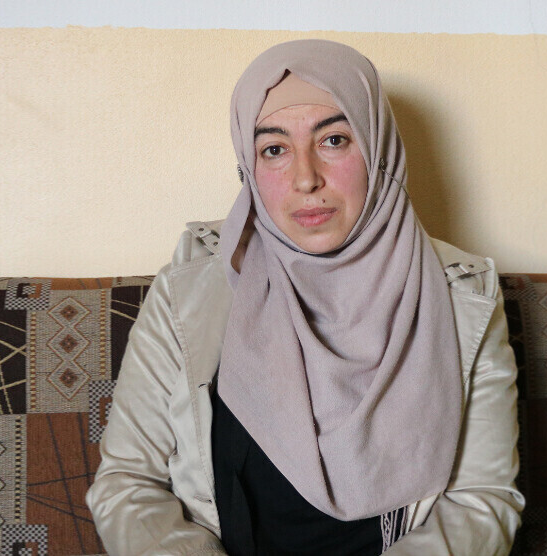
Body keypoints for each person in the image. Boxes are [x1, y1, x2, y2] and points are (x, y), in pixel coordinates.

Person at [86, 39, 523, 555]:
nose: (305, 178)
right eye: (274, 149)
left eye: (334, 140)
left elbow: (482, 501)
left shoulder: (463, 297)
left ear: (378, 149)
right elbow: (127, 484)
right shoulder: (188, 292)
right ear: (249, 167)